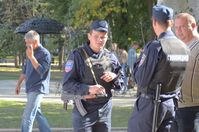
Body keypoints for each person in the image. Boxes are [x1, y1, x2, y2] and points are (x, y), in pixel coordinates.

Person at [127, 5, 189, 132]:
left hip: (151, 105)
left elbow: (141, 79)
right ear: (170, 22)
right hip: (171, 104)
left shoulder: (156, 47)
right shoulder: (183, 47)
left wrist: (137, 65)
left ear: (154, 22)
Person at [62, 20, 124, 132]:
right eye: (96, 36)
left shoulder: (111, 57)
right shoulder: (77, 56)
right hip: (84, 112)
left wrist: (114, 76)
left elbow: (122, 83)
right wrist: (88, 89)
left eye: (103, 37)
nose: (100, 40)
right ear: (89, 36)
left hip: (105, 112)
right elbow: (67, 85)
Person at [15, 30, 51, 132]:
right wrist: (18, 84)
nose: (26, 44)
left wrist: (31, 57)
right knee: (38, 115)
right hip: (30, 88)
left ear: (34, 41)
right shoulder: (30, 52)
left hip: (38, 88)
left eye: (27, 42)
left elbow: (42, 71)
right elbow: (25, 71)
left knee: (27, 116)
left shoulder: (45, 54)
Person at [174, 13, 199, 132]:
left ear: (193, 26)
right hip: (176, 108)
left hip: (194, 111)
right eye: (176, 28)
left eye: (182, 27)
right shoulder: (179, 48)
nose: (178, 31)